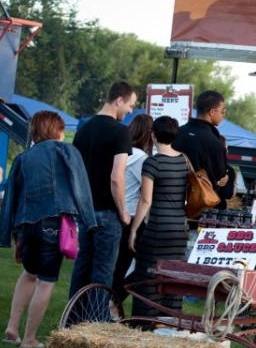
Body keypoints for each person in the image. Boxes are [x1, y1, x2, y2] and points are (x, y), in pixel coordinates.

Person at [0, 111, 96, 348]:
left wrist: (13, 234)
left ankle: (12, 328)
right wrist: (89, 220)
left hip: (26, 225)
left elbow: (13, 195)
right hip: (53, 224)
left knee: (28, 273)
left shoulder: (24, 157)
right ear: (58, 130)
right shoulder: (67, 151)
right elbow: (80, 186)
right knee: (45, 281)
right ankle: (30, 338)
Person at [69, 81, 136, 299]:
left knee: (82, 268)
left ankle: (71, 321)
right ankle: (96, 324)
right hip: (107, 211)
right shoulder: (121, 132)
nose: (130, 110)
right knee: (103, 272)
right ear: (119, 100)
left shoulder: (83, 130)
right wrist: (123, 211)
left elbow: (74, 172)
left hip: (84, 210)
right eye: (130, 105)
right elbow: (117, 177)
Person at [128, 116, 189, 320]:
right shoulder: (184, 161)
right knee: (173, 277)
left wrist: (134, 230)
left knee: (149, 276)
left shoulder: (152, 163)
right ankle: (170, 322)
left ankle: (146, 322)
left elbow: (146, 200)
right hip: (179, 229)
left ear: (153, 135)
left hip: (157, 229)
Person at [112, 113, 154, 302]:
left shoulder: (123, 154)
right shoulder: (142, 158)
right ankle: (114, 301)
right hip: (132, 217)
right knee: (143, 265)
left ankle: (109, 301)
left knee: (117, 265)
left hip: (118, 212)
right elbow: (148, 193)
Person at [172, 89, 229, 211]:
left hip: (172, 200)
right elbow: (220, 179)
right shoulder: (215, 143)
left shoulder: (177, 133)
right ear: (212, 112)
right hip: (201, 207)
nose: (223, 115)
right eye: (223, 111)